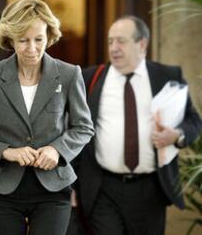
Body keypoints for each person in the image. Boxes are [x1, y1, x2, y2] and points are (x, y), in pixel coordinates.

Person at [0, 0, 95, 235]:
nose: (32, 49)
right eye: (23, 40)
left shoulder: (69, 74)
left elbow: (83, 127)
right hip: (2, 191)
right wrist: (6, 152)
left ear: (49, 37)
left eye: (38, 39)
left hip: (53, 190)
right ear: (10, 39)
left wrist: (57, 150)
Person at [69, 15, 202, 235]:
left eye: (121, 41)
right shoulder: (89, 78)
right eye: (111, 41)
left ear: (142, 44)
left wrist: (176, 135)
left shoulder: (167, 76)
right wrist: (72, 184)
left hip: (150, 189)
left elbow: (194, 121)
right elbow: (73, 130)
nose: (114, 47)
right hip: (103, 188)